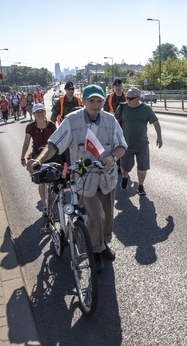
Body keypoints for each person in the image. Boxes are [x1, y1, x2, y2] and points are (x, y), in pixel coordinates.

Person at [30, 84, 127, 272]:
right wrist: (39, 160)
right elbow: (54, 145)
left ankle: (104, 243)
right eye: (91, 101)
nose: (96, 105)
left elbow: (122, 145)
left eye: (99, 101)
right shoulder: (72, 121)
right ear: (84, 101)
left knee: (107, 215)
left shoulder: (110, 120)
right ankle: (95, 252)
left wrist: (112, 157)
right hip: (84, 177)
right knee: (95, 215)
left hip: (107, 177)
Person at [115, 86, 162, 196]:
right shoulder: (122, 108)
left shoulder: (146, 109)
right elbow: (114, 122)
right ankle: (125, 177)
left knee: (142, 167)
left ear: (138, 98)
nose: (128, 100)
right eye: (127, 98)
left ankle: (140, 186)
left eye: (131, 98)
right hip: (126, 145)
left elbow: (155, 122)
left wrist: (159, 137)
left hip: (142, 144)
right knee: (125, 167)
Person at [20, 104, 57, 215]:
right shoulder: (30, 127)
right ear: (34, 114)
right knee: (42, 182)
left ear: (45, 113)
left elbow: (57, 140)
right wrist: (22, 156)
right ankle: (45, 205)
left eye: (42, 111)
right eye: (37, 112)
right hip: (37, 157)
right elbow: (26, 142)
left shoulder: (51, 125)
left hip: (51, 155)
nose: (40, 114)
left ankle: (55, 201)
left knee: (55, 179)